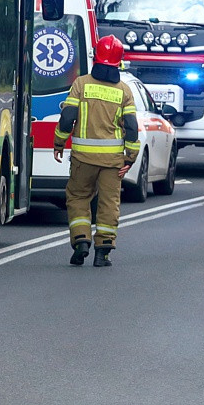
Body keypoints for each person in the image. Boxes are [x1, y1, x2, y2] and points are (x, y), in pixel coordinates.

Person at [54, 35, 140, 267]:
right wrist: (129, 159)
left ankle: (81, 240)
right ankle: (103, 252)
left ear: (97, 56)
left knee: (78, 197)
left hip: (83, 159)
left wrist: (59, 143)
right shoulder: (124, 91)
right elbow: (131, 128)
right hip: (112, 163)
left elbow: (67, 118)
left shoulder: (81, 84)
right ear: (119, 61)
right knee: (109, 203)